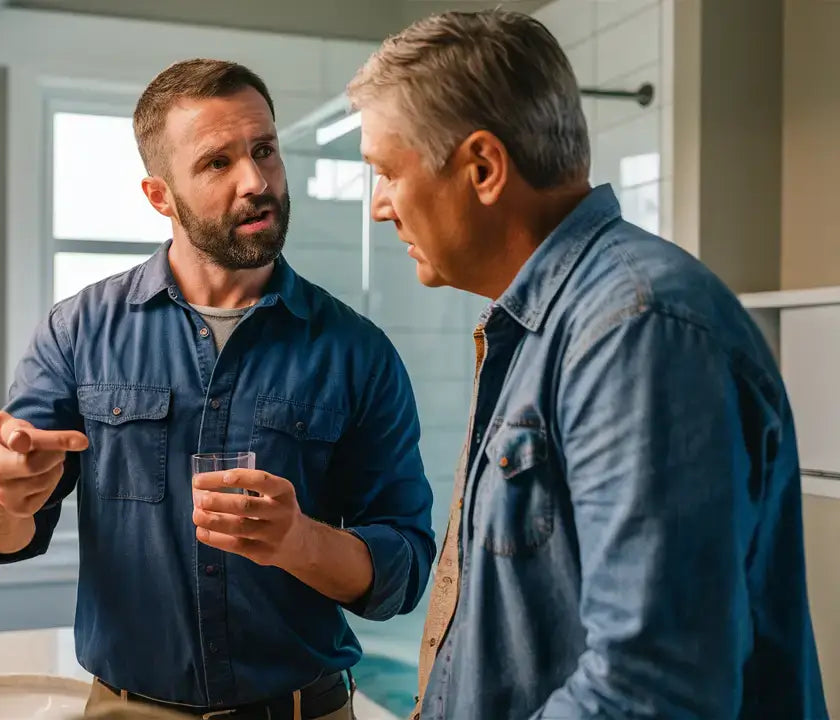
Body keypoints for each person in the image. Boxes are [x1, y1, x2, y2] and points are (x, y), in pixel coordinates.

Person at [346, 10, 828, 720]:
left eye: (387, 172)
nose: (379, 208)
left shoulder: (636, 333)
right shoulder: (547, 325)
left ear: (483, 168)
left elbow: (650, 688)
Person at [0, 58, 437, 720]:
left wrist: (299, 541)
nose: (257, 181)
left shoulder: (359, 353)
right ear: (159, 196)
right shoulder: (77, 333)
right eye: (217, 163)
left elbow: (403, 573)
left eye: (264, 150)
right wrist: (1, 489)